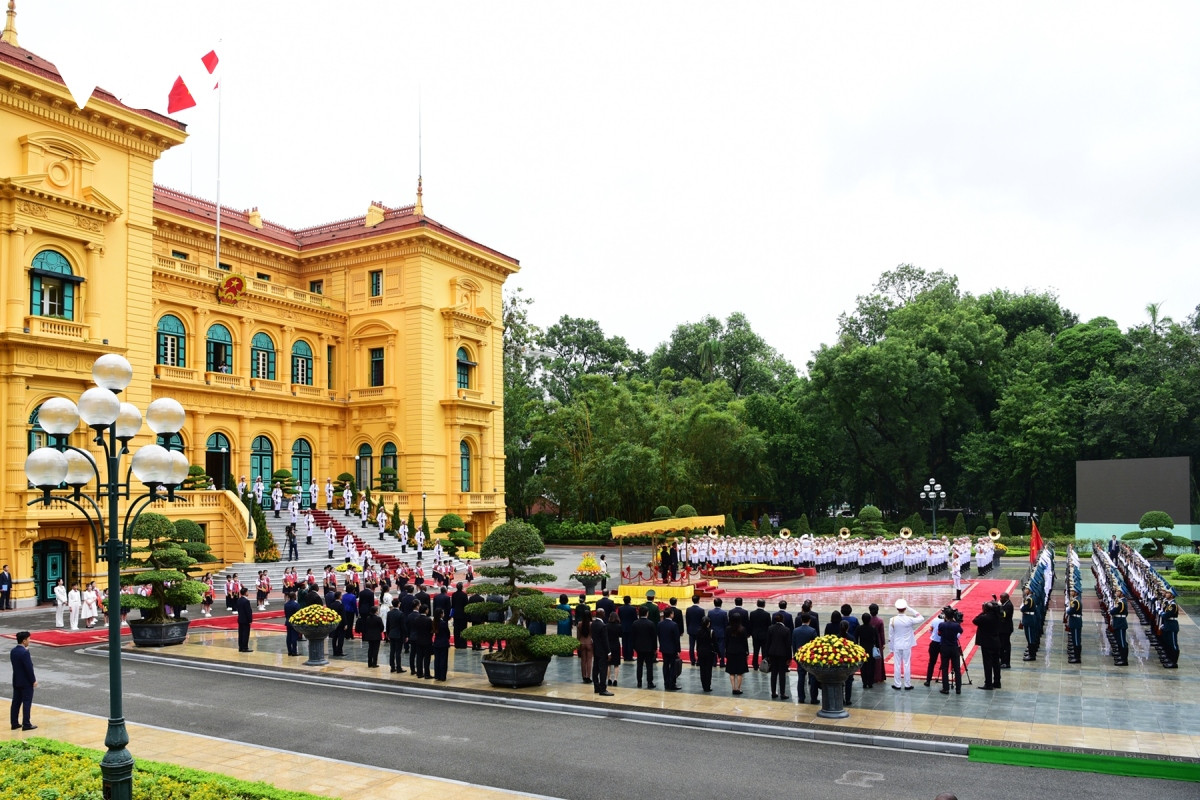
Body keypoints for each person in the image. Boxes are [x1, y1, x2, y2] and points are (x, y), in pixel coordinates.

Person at [888, 599, 924, 690]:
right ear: (905, 608)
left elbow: (890, 635)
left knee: (897, 665)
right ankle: (907, 684)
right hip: (906, 645)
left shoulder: (892, 620)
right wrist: (910, 609)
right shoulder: (909, 619)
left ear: (897, 608)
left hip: (897, 645)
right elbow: (921, 618)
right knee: (907, 664)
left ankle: (897, 684)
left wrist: (891, 648)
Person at [9, 631, 37, 731]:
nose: (29, 641)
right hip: (26, 682)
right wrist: (33, 680)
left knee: (16, 702)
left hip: (16, 680)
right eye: (29, 639)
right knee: (27, 702)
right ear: (24, 640)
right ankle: (26, 723)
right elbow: (29, 668)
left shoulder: (13, 651)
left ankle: (14, 723)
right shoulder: (24, 653)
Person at [792, 613, 819, 704]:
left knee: (801, 678)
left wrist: (795, 656)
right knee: (812, 678)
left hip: (800, 657)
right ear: (809, 620)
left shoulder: (795, 631)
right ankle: (813, 698)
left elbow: (794, 644)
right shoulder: (812, 631)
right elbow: (816, 646)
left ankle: (801, 697)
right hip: (810, 658)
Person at [974, 601, 1002, 688]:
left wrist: (983, 611)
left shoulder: (984, 617)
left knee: (988, 664)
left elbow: (975, 620)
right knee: (996, 663)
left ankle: (988, 683)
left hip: (987, 644)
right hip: (996, 642)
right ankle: (997, 682)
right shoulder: (998, 616)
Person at [765, 612, 792, 699]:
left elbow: (768, 643)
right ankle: (782, 693)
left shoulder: (770, 628)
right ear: (783, 620)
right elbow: (788, 645)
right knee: (782, 674)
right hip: (782, 654)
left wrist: (767, 655)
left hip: (772, 653)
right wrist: (789, 657)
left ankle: (773, 692)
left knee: (773, 673)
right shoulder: (786, 630)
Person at [630, 606, 657, 689]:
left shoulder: (635, 623)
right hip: (649, 648)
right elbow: (654, 637)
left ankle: (639, 682)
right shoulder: (651, 623)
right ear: (647, 613)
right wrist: (655, 648)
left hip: (639, 647)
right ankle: (649, 682)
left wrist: (634, 646)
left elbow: (633, 637)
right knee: (649, 666)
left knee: (639, 665)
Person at [938, 608, 963, 694]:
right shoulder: (956, 625)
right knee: (957, 669)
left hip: (945, 647)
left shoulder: (942, 625)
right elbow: (961, 631)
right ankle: (958, 688)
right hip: (954, 647)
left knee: (945, 668)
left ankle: (946, 688)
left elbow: (939, 633)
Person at [658, 608, 682, 691]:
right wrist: (678, 650)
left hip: (664, 648)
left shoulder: (660, 624)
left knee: (665, 665)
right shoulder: (674, 625)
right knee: (672, 666)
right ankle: (672, 683)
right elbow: (676, 639)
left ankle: (666, 683)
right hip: (672, 649)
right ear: (671, 614)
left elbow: (659, 636)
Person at [725, 617, 750, 695]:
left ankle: (733, 688)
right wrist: (747, 652)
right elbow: (745, 642)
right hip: (740, 652)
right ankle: (738, 689)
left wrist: (726, 651)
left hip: (730, 651)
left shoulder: (728, 629)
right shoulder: (742, 629)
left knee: (731, 672)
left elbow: (726, 641)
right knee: (739, 672)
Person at [591, 610, 612, 695]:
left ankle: (596, 687)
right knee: (603, 670)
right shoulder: (603, 626)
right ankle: (603, 689)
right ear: (602, 614)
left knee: (595, 669)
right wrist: (609, 652)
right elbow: (605, 641)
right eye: (603, 613)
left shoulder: (593, 624)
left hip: (595, 649)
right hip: (602, 651)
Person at [749, 599, 772, 670]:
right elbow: (769, 626)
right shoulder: (767, 614)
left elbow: (750, 624)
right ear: (764, 605)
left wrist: (750, 633)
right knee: (764, 651)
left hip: (755, 635)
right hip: (764, 635)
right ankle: (764, 665)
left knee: (755, 650)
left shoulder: (752, 613)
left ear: (757, 604)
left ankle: (755, 665)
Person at [856, 612, 878, 690]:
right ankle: (870, 682)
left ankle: (864, 682)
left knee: (863, 667)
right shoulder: (873, 628)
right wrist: (878, 648)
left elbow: (856, 639)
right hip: (871, 649)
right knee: (871, 666)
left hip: (862, 649)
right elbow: (877, 640)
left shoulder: (859, 628)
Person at [386, 598, 408, 673]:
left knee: (392, 651)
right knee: (398, 652)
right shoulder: (401, 614)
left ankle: (392, 667)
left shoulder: (389, 613)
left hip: (391, 634)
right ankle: (398, 667)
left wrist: (388, 634)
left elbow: (387, 625)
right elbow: (403, 626)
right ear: (398, 604)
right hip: (399, 634)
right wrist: (406, 635)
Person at [695, 617, 715, 692]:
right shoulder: (711, 632)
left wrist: (697, 651)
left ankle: (704, 685)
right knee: (708, 669)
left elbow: (698, 643)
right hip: (709, 652)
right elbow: (714, 643)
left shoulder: (698, 631)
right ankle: (708, 685)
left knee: (702, 669)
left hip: (701, 652)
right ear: (708, 623)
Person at [685, 595, 706, 665]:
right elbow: (703, 622)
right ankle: (699, 660)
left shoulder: (688, 609)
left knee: (691, 646)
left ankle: (692, 660)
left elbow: (687, 620)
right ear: (698, 600)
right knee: (699, 646)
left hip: (691, 629)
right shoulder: (701, 610)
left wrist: (688, 628)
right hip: (699, 631)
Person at [431, 609, 451, 680]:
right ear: (441, 614)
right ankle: (442, 676)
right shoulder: (443, 623)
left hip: (436, 643)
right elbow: (448, 633)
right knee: (443, 660)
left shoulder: (434, 622)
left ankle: (437, 676)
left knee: (437, 660)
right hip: (444, 643)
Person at [1064, 590, 1083, 664]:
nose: (1071, 592)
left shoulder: (1076, 602)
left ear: (1076, 592)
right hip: (1074, 622)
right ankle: (1076, 655)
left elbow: (1070, 611)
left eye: (1072, 591)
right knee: (1075, 640)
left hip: (1075, 622)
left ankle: (1077, 658)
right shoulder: (1075, 600)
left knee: (1076, 640)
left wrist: (1067, 609)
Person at [708, 598, 728, 667]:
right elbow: (726, 624)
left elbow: (709, 624)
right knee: (721, 648)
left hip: (713, 632)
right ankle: (722, 662)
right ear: (721, 604)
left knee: (713, 648)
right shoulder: (724, 613)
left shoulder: (710, 612)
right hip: (721, 633)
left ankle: (714, 662)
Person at [618, 595, 638, 662]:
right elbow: (635, 619)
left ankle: (625, 656)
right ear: (630, 601)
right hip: (631, 627)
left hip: (623, 627)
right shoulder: (633, 609)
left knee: (624, 642)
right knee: (630, 642)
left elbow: (619, 618)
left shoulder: (620, 609)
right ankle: (630, 656)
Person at [576, 608, 594, 684]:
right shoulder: (591, 624)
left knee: (583, 661)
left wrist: (578, 645)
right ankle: (588, 677)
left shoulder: (580, 624)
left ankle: (583, 676)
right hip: (589, 643)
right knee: (589, 661)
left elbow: (578, 636)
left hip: (582, 642)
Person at [998, 592, 1015, 668]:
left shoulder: (1008, 605)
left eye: (1001, 598)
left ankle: (1006, 662)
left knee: (1005, 646)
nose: (1000, 599)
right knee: (1002, 645)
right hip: (1003, 629)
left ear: (1006, 598)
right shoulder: (1005, 604)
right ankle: (1003, 660)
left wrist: (998, 608)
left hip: (1006, 629)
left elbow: (1004, 615)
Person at [607, 611, 623, 687]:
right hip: (616, 645)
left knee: (608, 664)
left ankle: (609, 679)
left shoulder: (606, 626)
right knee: (616, 664)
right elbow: (621, 635)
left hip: (609, 645)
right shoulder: (619, 626)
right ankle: (615, 679)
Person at [236, 587, 254, 652]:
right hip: (245, 620)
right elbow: (248, 612)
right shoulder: (246, 601)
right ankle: (245, 647)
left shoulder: (239, 600)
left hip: (240, 619)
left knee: (240, 633)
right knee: (245, 634)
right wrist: (250, 620)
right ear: (245, 593)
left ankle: (240, 647)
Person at [283, 591, 301, 656]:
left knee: (288, 637)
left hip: (288, 621)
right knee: (294, 637)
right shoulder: (296, 605)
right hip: (294, 622)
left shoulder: (286, 604)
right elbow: (298, 614)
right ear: (294, 596)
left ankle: (289, 651)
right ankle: (294, 651)